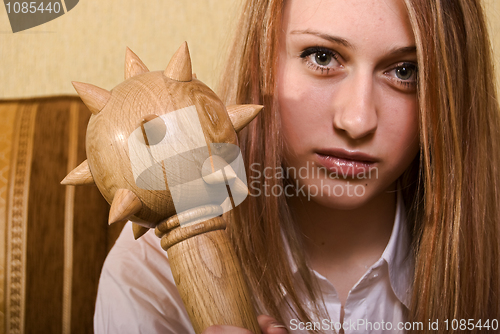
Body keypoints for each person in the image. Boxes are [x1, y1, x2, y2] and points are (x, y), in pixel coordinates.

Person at [94, 0, 500, 333]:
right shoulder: (150, 273)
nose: (357, 120)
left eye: (405, 71)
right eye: (322, 57)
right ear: (261, 63)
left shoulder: (487, 260)